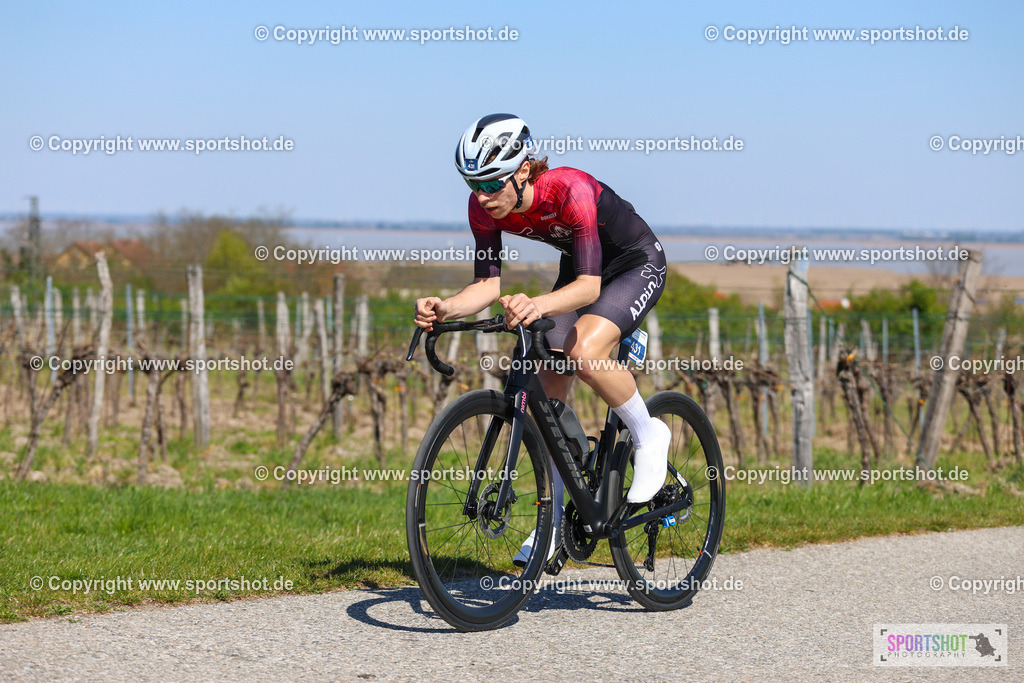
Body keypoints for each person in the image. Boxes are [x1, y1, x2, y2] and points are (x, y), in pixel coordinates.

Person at [414, 113, 670, 564]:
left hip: (634, 263)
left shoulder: (567, 188)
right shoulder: (482, 208)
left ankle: (650, 434)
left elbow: (590, 288)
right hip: (582, 268)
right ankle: (552, 522)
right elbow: (488, 286)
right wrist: (446, 307)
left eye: (492, 183)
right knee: (548, 383)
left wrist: (536, 304)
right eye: (472, 183)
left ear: (524, 169)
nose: (482, 196)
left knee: (584, 351)